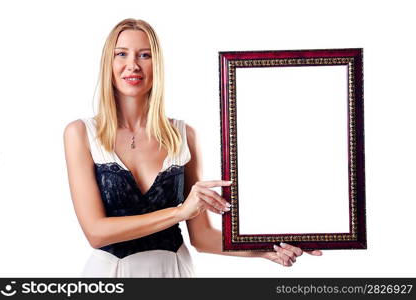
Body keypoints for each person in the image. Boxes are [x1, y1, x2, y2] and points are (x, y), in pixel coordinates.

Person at [63, 18, 322, 277]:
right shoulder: (81, 134)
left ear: (158, 65)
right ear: (108, 63)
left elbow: (202, 237)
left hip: (174, 273)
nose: (133, 65)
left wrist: (267, 249)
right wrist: (180, 212)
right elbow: (96, 233)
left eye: (145, 55)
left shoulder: (182, 135)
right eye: (121, 54)